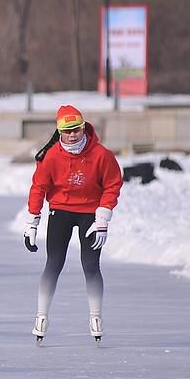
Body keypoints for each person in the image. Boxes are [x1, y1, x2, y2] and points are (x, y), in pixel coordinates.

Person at [23, 105, 123, 346]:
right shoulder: (50, 156)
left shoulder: (101, 154)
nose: (73, 135)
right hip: (61, 211)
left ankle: (96, 317)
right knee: (54, 263)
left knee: (90, 265)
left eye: (76, 129)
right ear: (59, 133)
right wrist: (32, 221)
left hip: (91, 213)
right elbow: (39, 187)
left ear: (83, 127)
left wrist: (103, 216)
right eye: (67, 131)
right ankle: (41, 316)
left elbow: (113, 183)